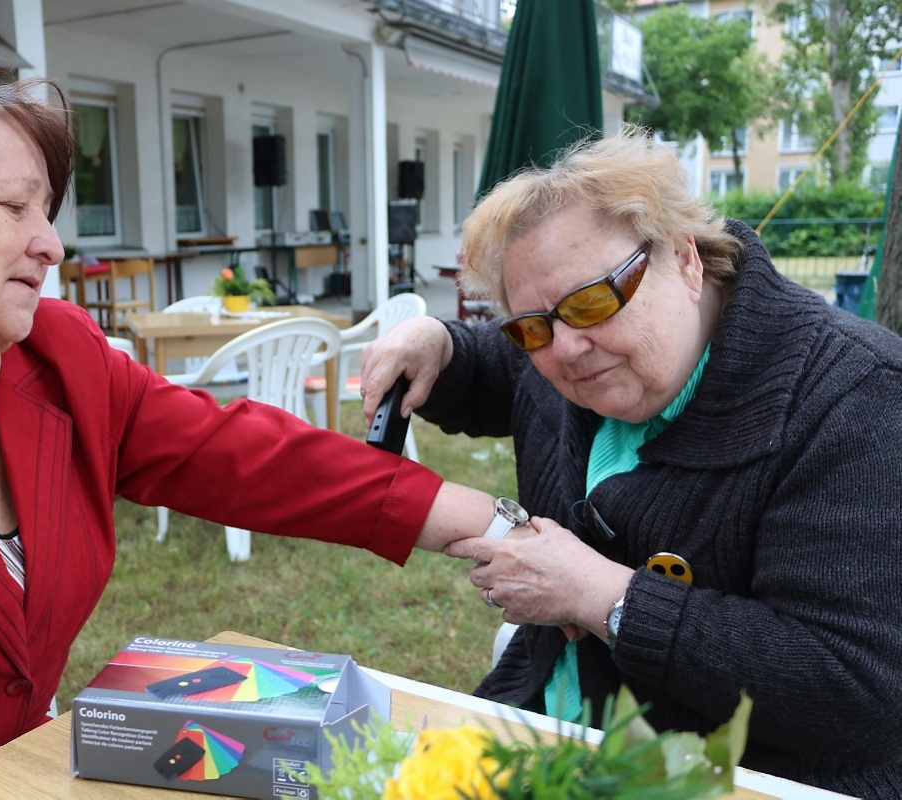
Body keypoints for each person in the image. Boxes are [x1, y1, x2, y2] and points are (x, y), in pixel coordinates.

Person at [0, 67, 502, 799]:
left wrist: (485, 524)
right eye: (12, 208)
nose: (49, 244)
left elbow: (244, 457)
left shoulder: (60, 355)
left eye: (45, 213)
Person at [360, 128, 902, 798]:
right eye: (530, 326)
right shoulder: (572, 348)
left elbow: (854, 691)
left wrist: (600, 595)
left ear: (684, 258)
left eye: (591, 302)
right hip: (542, 736)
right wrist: (439, 342)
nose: (566, 350)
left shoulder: (853, 397)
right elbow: (499, 368)